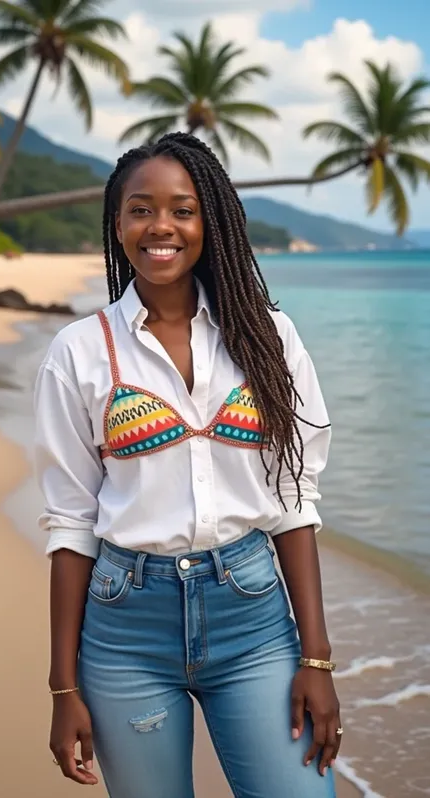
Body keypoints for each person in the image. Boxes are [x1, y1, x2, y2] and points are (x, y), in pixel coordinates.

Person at [34, 132, 342, 798]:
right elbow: (70, 523)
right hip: (125, 630)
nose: (161, 227)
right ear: (117, 225)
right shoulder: (78, 351)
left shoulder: (267, 336)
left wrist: (316, 658)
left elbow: (294, 499)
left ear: (211, 221)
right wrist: (64, 686)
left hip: (254, 619)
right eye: (140, 209)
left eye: (183, 208)